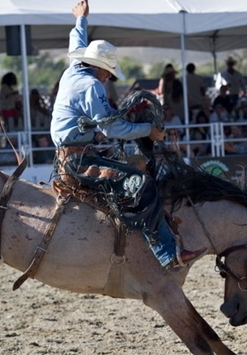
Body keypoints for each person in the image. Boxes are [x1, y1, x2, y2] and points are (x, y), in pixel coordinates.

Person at [50, 0, 206, 270]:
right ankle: (167, 253)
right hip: (79, 162)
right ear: (99, 68)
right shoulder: (91, 86)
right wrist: (149, 130)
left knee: (132, 171)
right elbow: (111, 129)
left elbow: (76, 42)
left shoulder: (73, 70)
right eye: (109, 73)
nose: (109, 78)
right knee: (140, 183)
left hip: (73, 154)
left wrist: (81, 19)